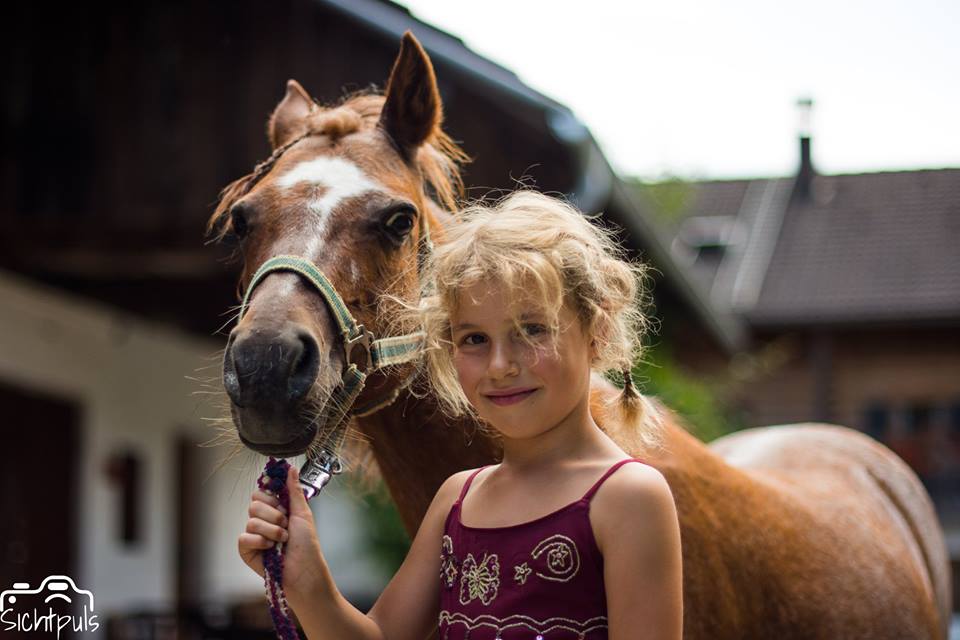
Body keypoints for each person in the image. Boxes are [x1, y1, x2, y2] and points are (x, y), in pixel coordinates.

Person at [238, 191, 684, 639]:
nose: (500, 365)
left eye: (532, 330)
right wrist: (306, 585)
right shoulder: (457, 499)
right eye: (474, 339)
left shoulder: (628, 497)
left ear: (598, 333)